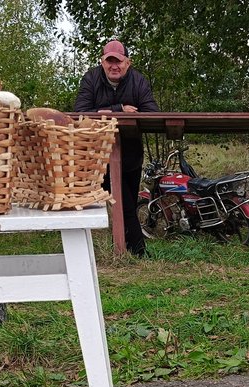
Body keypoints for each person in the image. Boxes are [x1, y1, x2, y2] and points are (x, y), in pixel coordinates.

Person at [74, 39, 159, 257]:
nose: (114, 66)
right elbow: (80, 113)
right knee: (121, 202)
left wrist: (130, 115)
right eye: (109, 60)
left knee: (128, 198)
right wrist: (118, 110)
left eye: (118, 61)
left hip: (131, 154)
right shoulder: (91, 78)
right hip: (97, 155)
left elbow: (152, 113)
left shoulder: (139, 81)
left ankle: (127, 248)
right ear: (102, 62)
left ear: (127, 63)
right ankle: (137, 251)